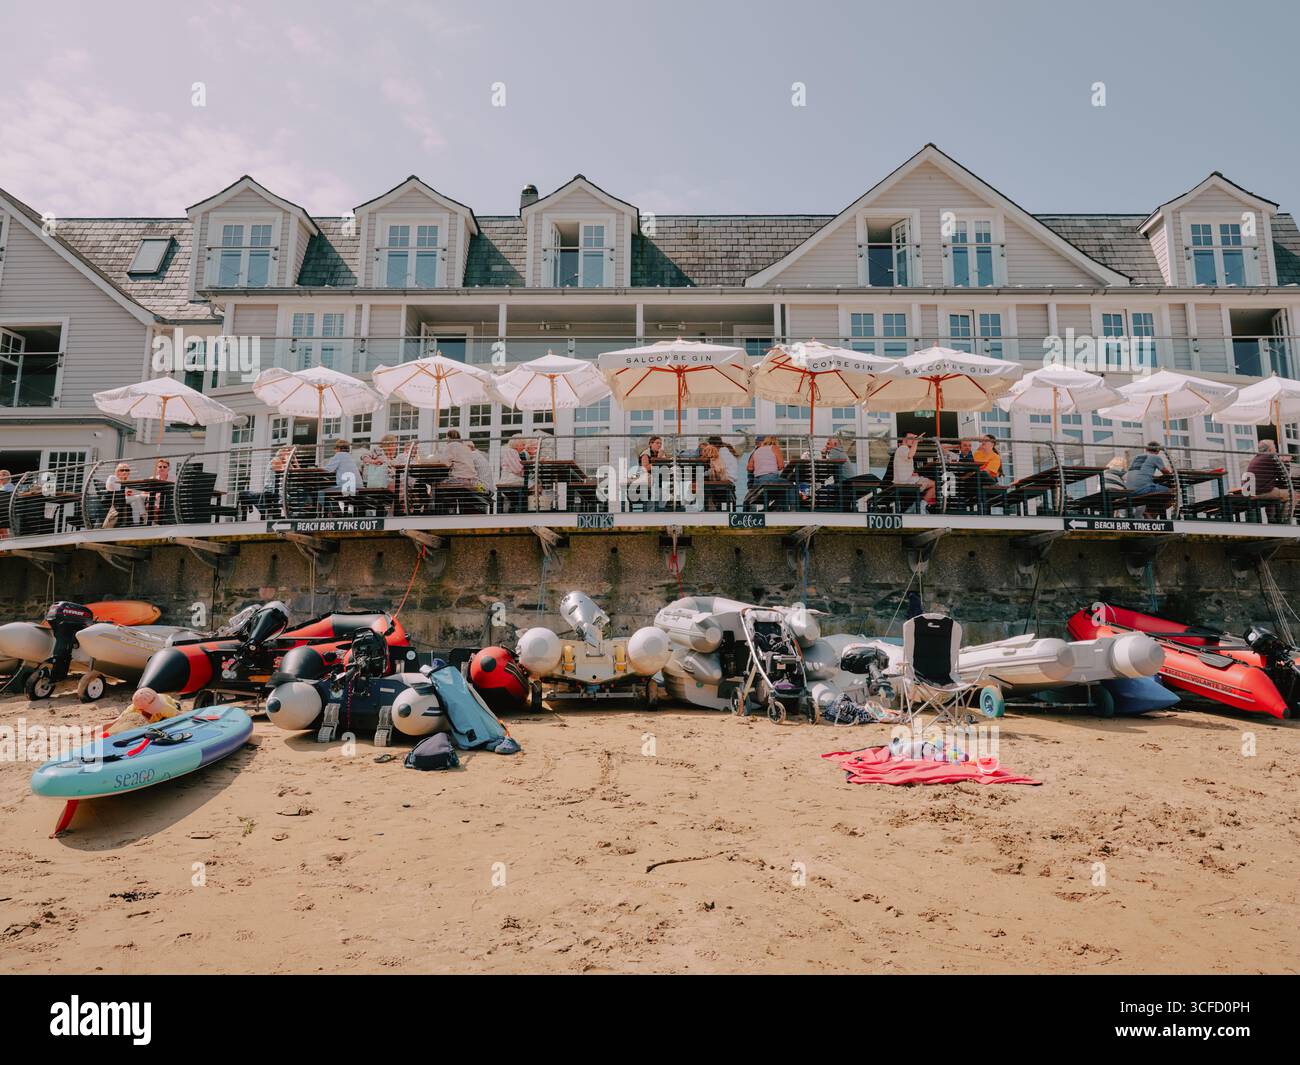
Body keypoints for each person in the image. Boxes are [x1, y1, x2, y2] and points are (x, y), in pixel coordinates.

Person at [1246, 439, 1293, 521]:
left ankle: (1272, 520)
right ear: (1270, 449)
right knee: (1293, 495)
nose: (1276, 449)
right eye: (1274, 447)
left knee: (1273, 492)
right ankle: (1284, 521)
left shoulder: (1256, 458)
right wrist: (1286, 461)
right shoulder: (1270, 457)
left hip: (1253, 491)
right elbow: (1284, 474)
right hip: (1260, 492)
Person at [1125, 441, 1173, 518]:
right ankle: (1151, 512)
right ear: (1158, 450)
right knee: (1172, 492)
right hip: (1142, 487)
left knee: (1156, 493)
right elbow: (1166, 472)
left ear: (1147, 448)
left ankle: (1150, 512)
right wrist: (1172, 473)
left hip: (1129, 489)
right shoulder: (1155, 457)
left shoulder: (1137, 457)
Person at [746, 434, 793, 509]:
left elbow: (749, 468)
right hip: (770, 478)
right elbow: (781, 466)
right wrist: (773, 466)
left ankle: (773, 508)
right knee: (790, 486)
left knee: (779, 490)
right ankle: (790, 508)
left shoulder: (756, 451)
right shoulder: (774, 448)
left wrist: (760, 466)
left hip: (757, 482)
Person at [890, 432, 935, 508]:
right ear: (904, 439)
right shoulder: (903, 448)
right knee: (935, 484)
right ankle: (920, 506)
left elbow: (905, 462)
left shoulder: (903, 449)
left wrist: (913, 473)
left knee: (927, 484)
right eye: (911, 438)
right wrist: (916, 441)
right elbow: (910, 455)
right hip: (906, 482)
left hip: (905, 480)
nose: (913, 440)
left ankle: (918, 506)